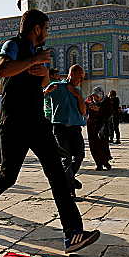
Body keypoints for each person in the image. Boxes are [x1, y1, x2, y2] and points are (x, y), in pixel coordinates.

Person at [0, 9, 100, 253]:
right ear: (36, 28)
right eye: (46, 29)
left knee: (57, 175)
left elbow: (41, 85)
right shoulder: (14, 45)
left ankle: (73, 233)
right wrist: (34, 61)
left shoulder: (37, 54)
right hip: (14, 123)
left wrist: (44, 73)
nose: (47, 34)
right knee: (8, 176)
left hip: (37, 123)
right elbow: (2, 70)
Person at [45, 64, 87, 197]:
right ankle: (69, 190)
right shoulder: (57, 87)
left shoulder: (77, 91)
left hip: (75, 128)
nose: (82, 80)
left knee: (79, 156)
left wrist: (78, 96)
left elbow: (83, 111)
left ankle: (69, 178)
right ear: (72, 75)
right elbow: (39, 97)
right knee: (66, 159)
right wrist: (46, 91)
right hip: (60, 128)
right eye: (80, 77)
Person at [86, 86, 113, 170]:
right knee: (93, 146)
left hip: (102, 127)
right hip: (91, 126)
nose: (95, 98)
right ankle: (99, 163)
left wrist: (99, 110)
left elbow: (109, 113)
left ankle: (105, 161)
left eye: (97, 96)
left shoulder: (107, 101)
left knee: (103, 145)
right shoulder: (89, 100)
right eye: (94, 96)